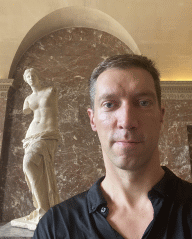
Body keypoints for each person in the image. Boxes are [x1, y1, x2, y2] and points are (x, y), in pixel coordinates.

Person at [33, 54, 192, 238]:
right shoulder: (56, 226)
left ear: (161, 115)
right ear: (92, 119)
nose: (126, 121)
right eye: (109, 104)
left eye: (143, 103)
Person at [11, 68, 60, 230]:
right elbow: (29, 113)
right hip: (31, 135)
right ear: (26, 80)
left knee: (28, 163)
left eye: (33, 75)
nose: (31, 78)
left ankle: (43, 209)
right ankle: (43, 209)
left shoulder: (50, 91)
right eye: (28, 77)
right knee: (33, 169)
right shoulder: (28, 99)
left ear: (38, 76)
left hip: (47, 134)